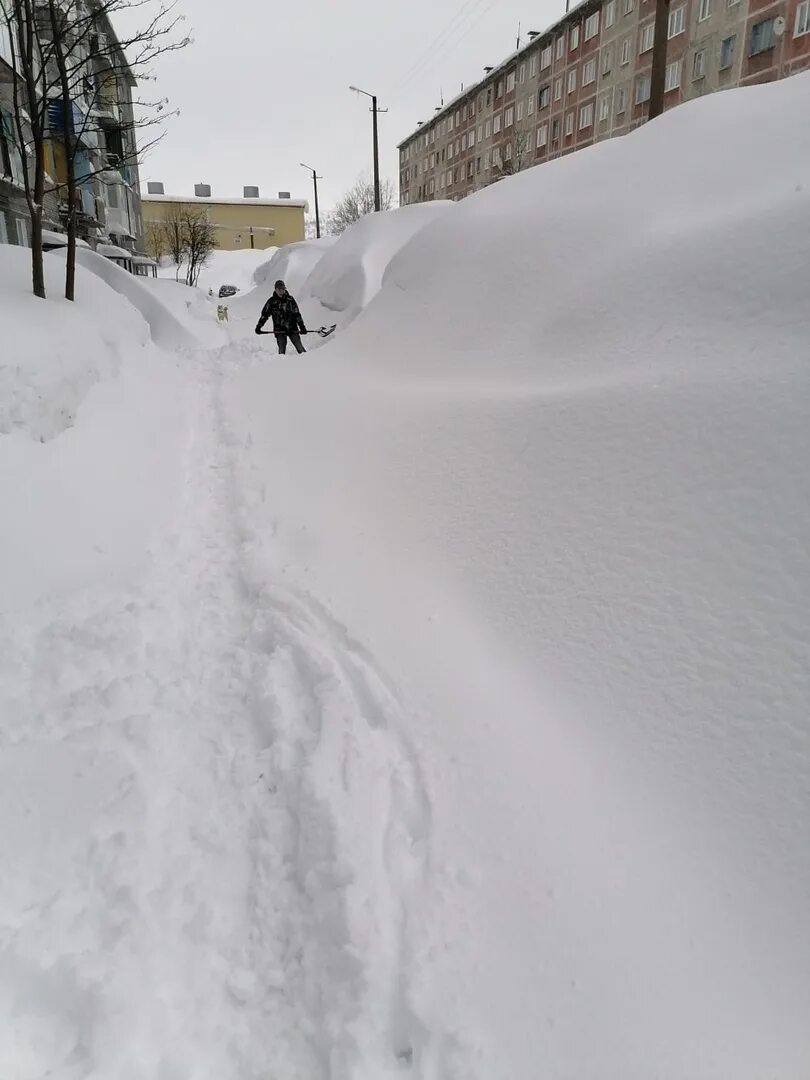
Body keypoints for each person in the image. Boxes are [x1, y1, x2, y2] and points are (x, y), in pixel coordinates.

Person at [255, 279, 308, 354]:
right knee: (281, 353)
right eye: (278, 289)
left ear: (284, 289)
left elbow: (297, 314)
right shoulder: (271, 302)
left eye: (282, 289)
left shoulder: (290, 300)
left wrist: (302, 327)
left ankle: (307, 362)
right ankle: (282, 365)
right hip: (279, 330)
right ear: (275, 290)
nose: (280, 291)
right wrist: (259, 327)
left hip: (292, 329)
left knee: (300, 349)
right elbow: (265, 315)